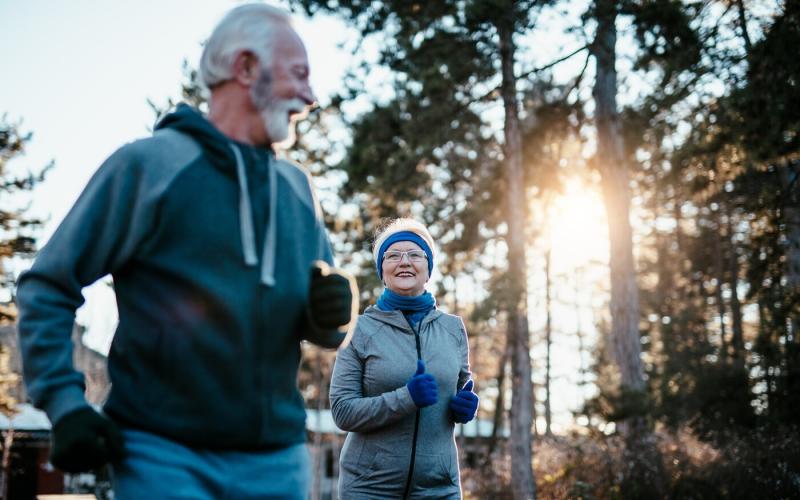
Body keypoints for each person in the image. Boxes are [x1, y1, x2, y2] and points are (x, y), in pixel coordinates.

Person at [16, 4, 356, 498]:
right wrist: (66, 405)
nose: (311, 96)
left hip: (276, 460)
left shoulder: (297, 188)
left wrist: (331, 317)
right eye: (299, 75)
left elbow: (317, 325)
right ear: (245, 68)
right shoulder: (151, 166)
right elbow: (47, 286)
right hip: (162, 454)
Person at [329, 218, 480, 499]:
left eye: (414, 254)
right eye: (393, 255)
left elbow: (460, 387)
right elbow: (343, 410)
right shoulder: (359, 329)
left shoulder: (453, 329)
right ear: (382, 271)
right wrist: (406, 398)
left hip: (439, 487)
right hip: (369, 488)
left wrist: (464, 407)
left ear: (428, 268)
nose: (404, 261)